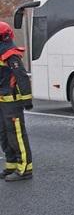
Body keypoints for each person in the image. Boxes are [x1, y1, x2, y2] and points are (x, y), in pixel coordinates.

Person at [0, 22, 33, 181]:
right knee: (4, 134)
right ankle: (11, 164)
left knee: (16, 134)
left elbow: (21, 76)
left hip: (12, 102)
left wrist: (27, 99)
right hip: (2, 102)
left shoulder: (11, 53)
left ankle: (25, 168)